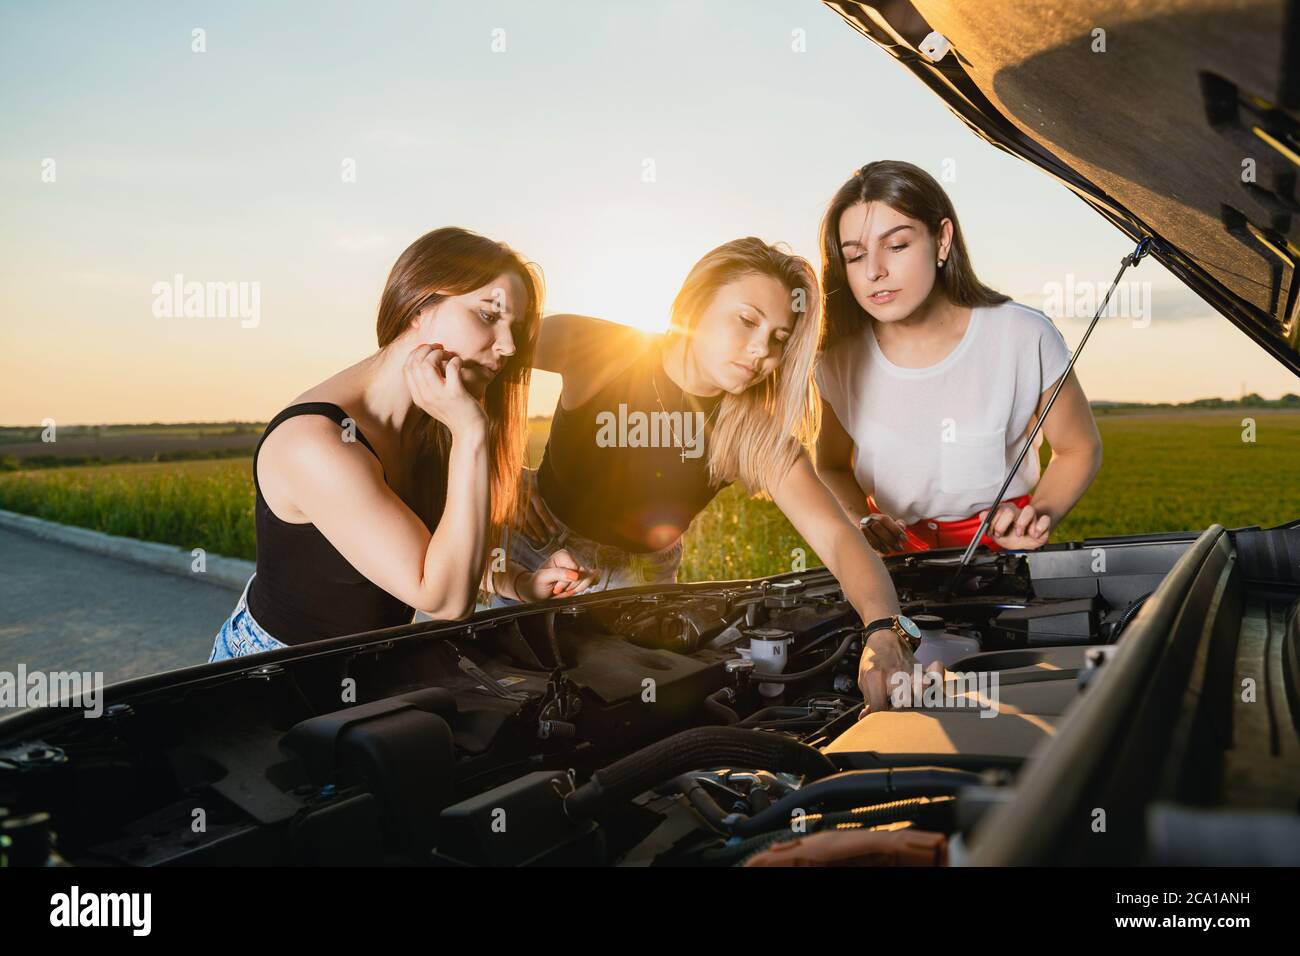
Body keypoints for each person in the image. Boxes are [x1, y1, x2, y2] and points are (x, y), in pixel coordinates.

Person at [493, 236, 918, 712]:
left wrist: (884, 631)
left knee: (604, 721)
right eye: (746, 320)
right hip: (526, 546)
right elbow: (476, 358)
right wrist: (499, 473)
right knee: (481, 698)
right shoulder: (598, 347)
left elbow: (839, 538)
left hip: (643, 587)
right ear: (695, 305)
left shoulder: (751, 431)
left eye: (780, 338)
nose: (762, 351)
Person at [208, 227, 595, 662]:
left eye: (515, 329)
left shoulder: (435, 414)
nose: (507, 346)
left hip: (374, 667)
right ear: (419, 306)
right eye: (488, 315)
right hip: (273, 675)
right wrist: (471, 433)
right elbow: (444, 600)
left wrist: (519, 582)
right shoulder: (316, 443)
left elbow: (437, 549)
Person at [814, 161, 1103, 555]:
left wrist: (1038, 514)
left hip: (1004, 553)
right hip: (898, 563)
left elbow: (1077, 448)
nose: (874, 272)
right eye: (855, 255)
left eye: (897, 246)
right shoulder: (836, 361)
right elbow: (831, 466)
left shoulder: (1024, 334)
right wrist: (861, 521)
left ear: (943, 240)